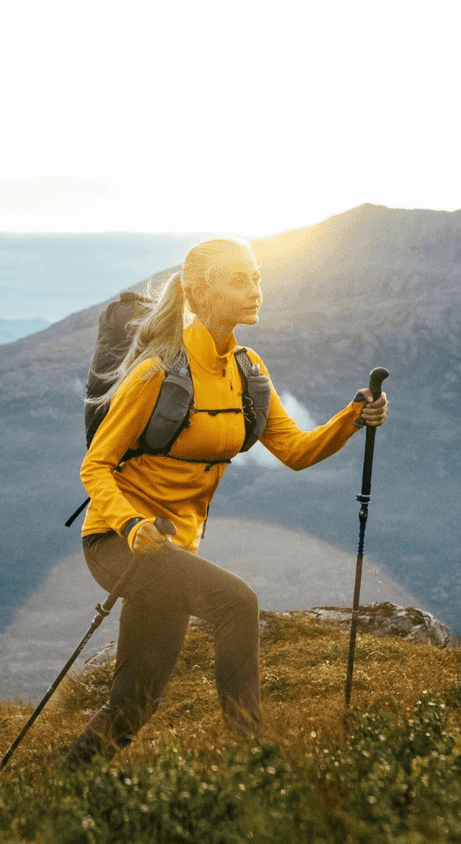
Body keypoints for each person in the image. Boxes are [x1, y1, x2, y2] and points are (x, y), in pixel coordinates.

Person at [66, 237, 388, 763]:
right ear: (201, 291)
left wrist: (354, 417)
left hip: (175, 551)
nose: (255, 290)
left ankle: (62, 784)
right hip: (117, 543)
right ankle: (253, 755)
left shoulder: (247, 372)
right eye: (240, 279)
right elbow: (96, 465)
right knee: (237, 603)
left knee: (133, 703)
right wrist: (129, 525)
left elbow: (297, 452)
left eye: (258, 277)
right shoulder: (156, 371)